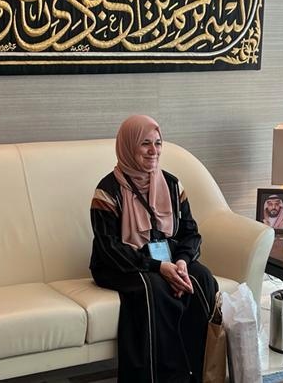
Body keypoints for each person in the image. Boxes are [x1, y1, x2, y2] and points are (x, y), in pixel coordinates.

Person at [89, 115, 218, 382]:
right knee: (156, 286)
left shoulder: (172, 185)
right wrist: (158, 267)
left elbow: (190, 233)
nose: (153, 151)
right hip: (120, 264)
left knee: (202, 278)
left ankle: (200, 371)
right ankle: (161, 376)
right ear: (128, 146)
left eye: (158, 143)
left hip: (168, 259)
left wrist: (182, 262)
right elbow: (108, 247)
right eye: (144, 143)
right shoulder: (107, 190)